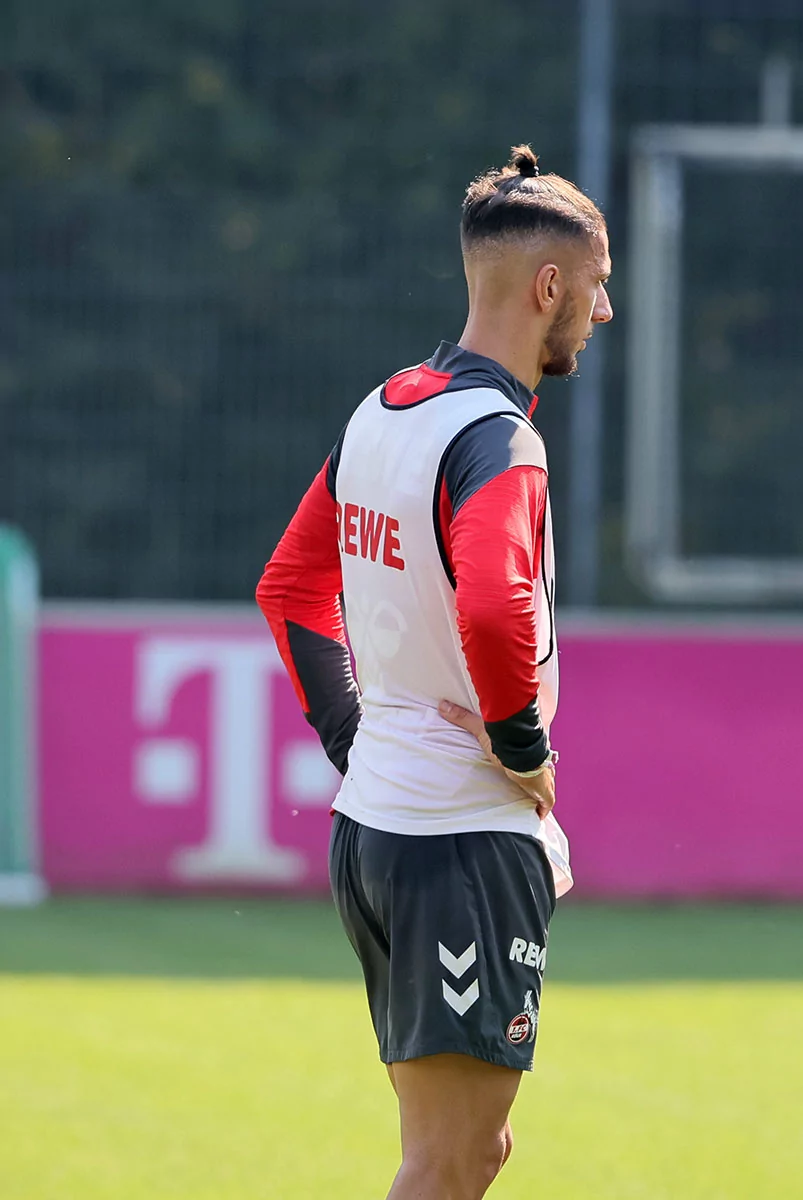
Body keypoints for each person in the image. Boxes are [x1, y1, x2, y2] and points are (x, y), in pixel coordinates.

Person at [255, 144, 612, 1200]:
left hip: (377, 825)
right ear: (547, 285)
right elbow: (496, 605)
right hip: (454, 835)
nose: (600, 312)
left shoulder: (383, 410)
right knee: (446, 1168)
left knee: (470, 1154)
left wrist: (352, 740)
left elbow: (289, 589)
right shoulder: (497, 437)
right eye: (594, 289)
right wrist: (524, 748)